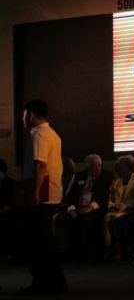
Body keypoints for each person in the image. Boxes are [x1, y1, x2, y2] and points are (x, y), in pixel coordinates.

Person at [21, 99, 67, 294]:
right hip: (52, 192)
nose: (24, 117)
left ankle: (43, 281)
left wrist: (35, 194)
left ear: (32, 114)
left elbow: (40, 166)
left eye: (25, 114)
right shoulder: (53, 134)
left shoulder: (39, 135)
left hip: (42, 193)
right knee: (45, 239)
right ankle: (55, 280)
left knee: (38, 240)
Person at [103, 155, 134, 261]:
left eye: (121, 166)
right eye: (118, 166)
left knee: (116, 219)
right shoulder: (116, 182)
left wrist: (128, 206)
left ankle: (122, 250)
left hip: (131, 210)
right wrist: (112, 206)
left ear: (129, 167)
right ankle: (110, 249)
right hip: (116, 210)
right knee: (107, 218)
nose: (119, 168)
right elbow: (110, 198)